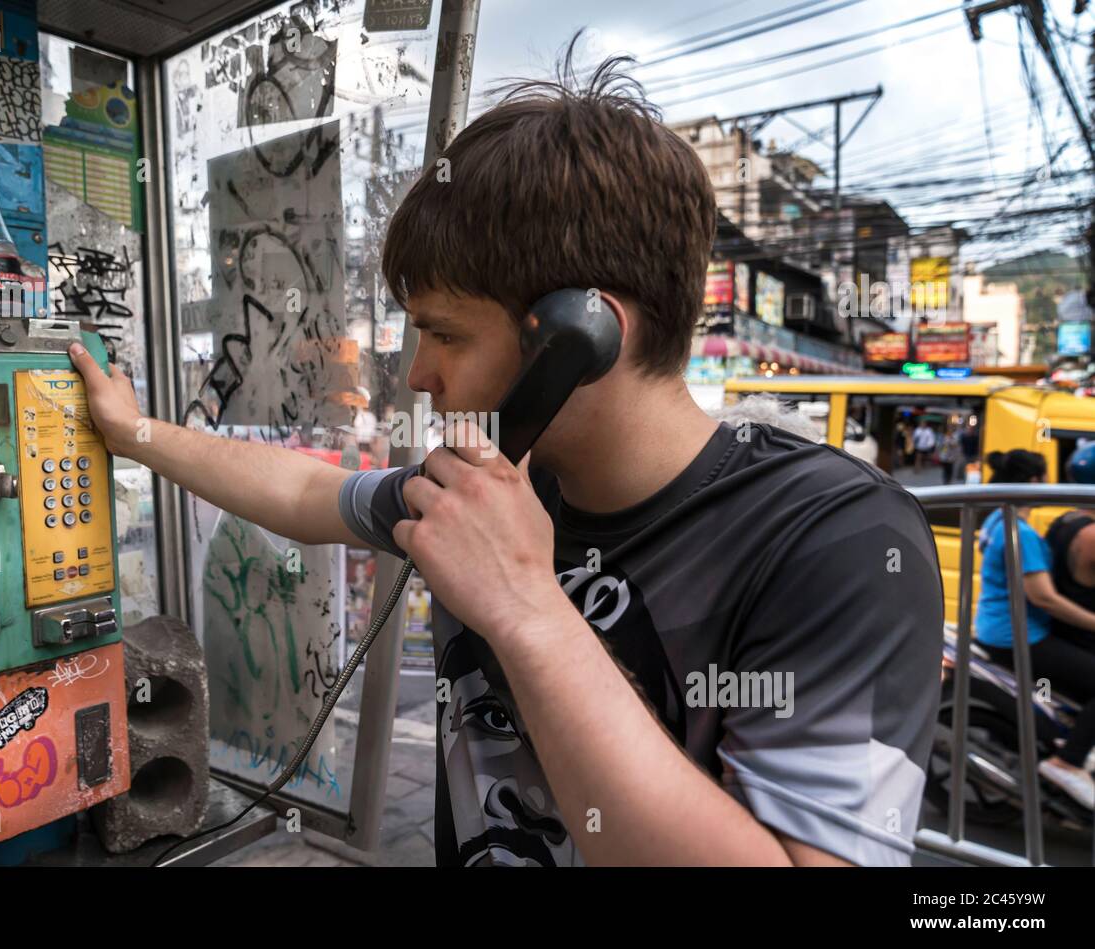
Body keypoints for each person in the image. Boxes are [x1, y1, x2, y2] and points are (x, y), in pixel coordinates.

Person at [68, 39, 942, 866]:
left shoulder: (836, 542)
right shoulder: (495, 487)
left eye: (445, 335)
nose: (420, 374)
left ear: (581, 336)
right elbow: (306, 491)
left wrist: (525, 606)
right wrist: (130, 431)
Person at [974, 449, 1095, 808]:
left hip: (997, 627)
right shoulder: (1020, 531)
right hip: (1020, 635)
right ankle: (1068, 761)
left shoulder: (998, 517)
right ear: (1034, 482)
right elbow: (1044, 598)